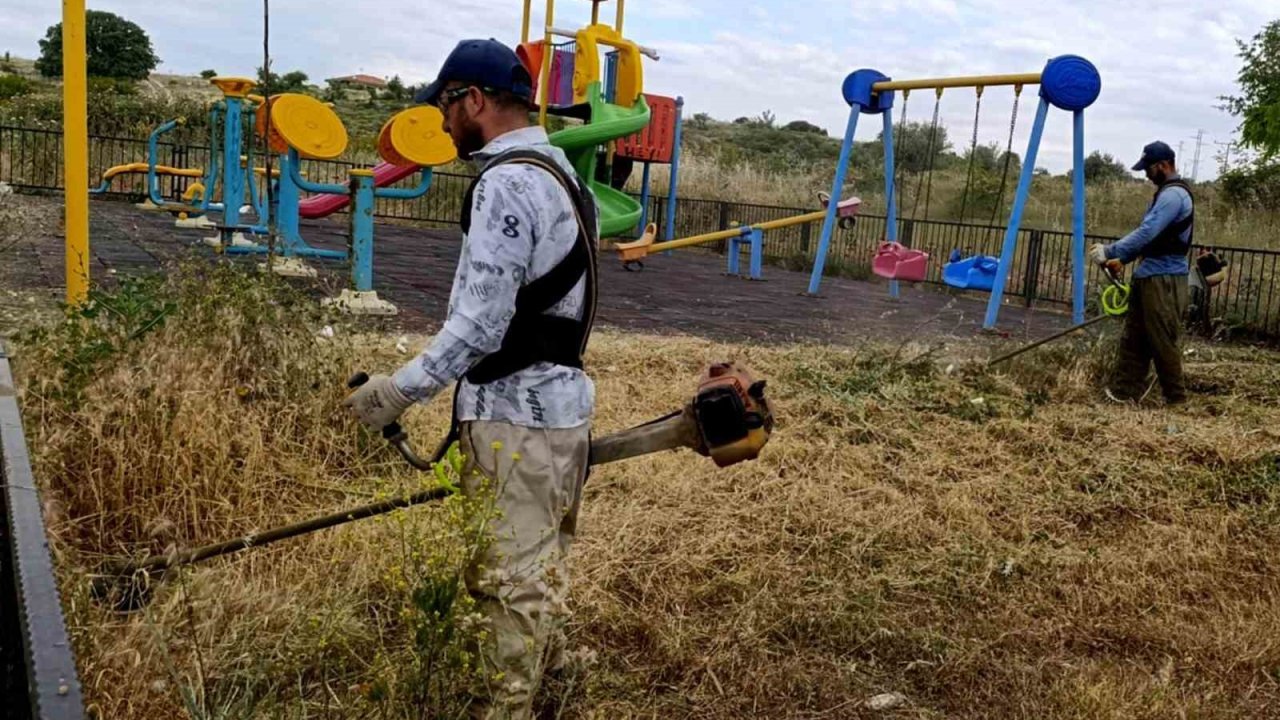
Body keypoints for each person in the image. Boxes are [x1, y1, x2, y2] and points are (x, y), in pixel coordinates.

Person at [343, 38, 599, 718]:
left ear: (474, 101)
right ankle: (553, 689)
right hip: (561, 414)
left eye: (446, 106)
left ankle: (513, 707)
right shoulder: (563, 175)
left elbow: (482, 327)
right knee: (535, 572)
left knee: (512, 583)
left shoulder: (507, 182)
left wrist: (396, 391)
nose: (443, 122)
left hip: (518, 419)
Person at [1089, 141, 1194, 405]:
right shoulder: (1164, 194)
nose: (1146, 173)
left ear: (1164, 165)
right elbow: (1153, 238)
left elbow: (1148, 232)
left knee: (1161, 340)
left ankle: (1177, 400)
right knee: (1134, 338)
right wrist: (1123, 258)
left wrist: (1111, 251)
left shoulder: (1174, 196)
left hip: (1165, 279)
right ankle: (1124, 394)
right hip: (1150, 275)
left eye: (1149, 168)